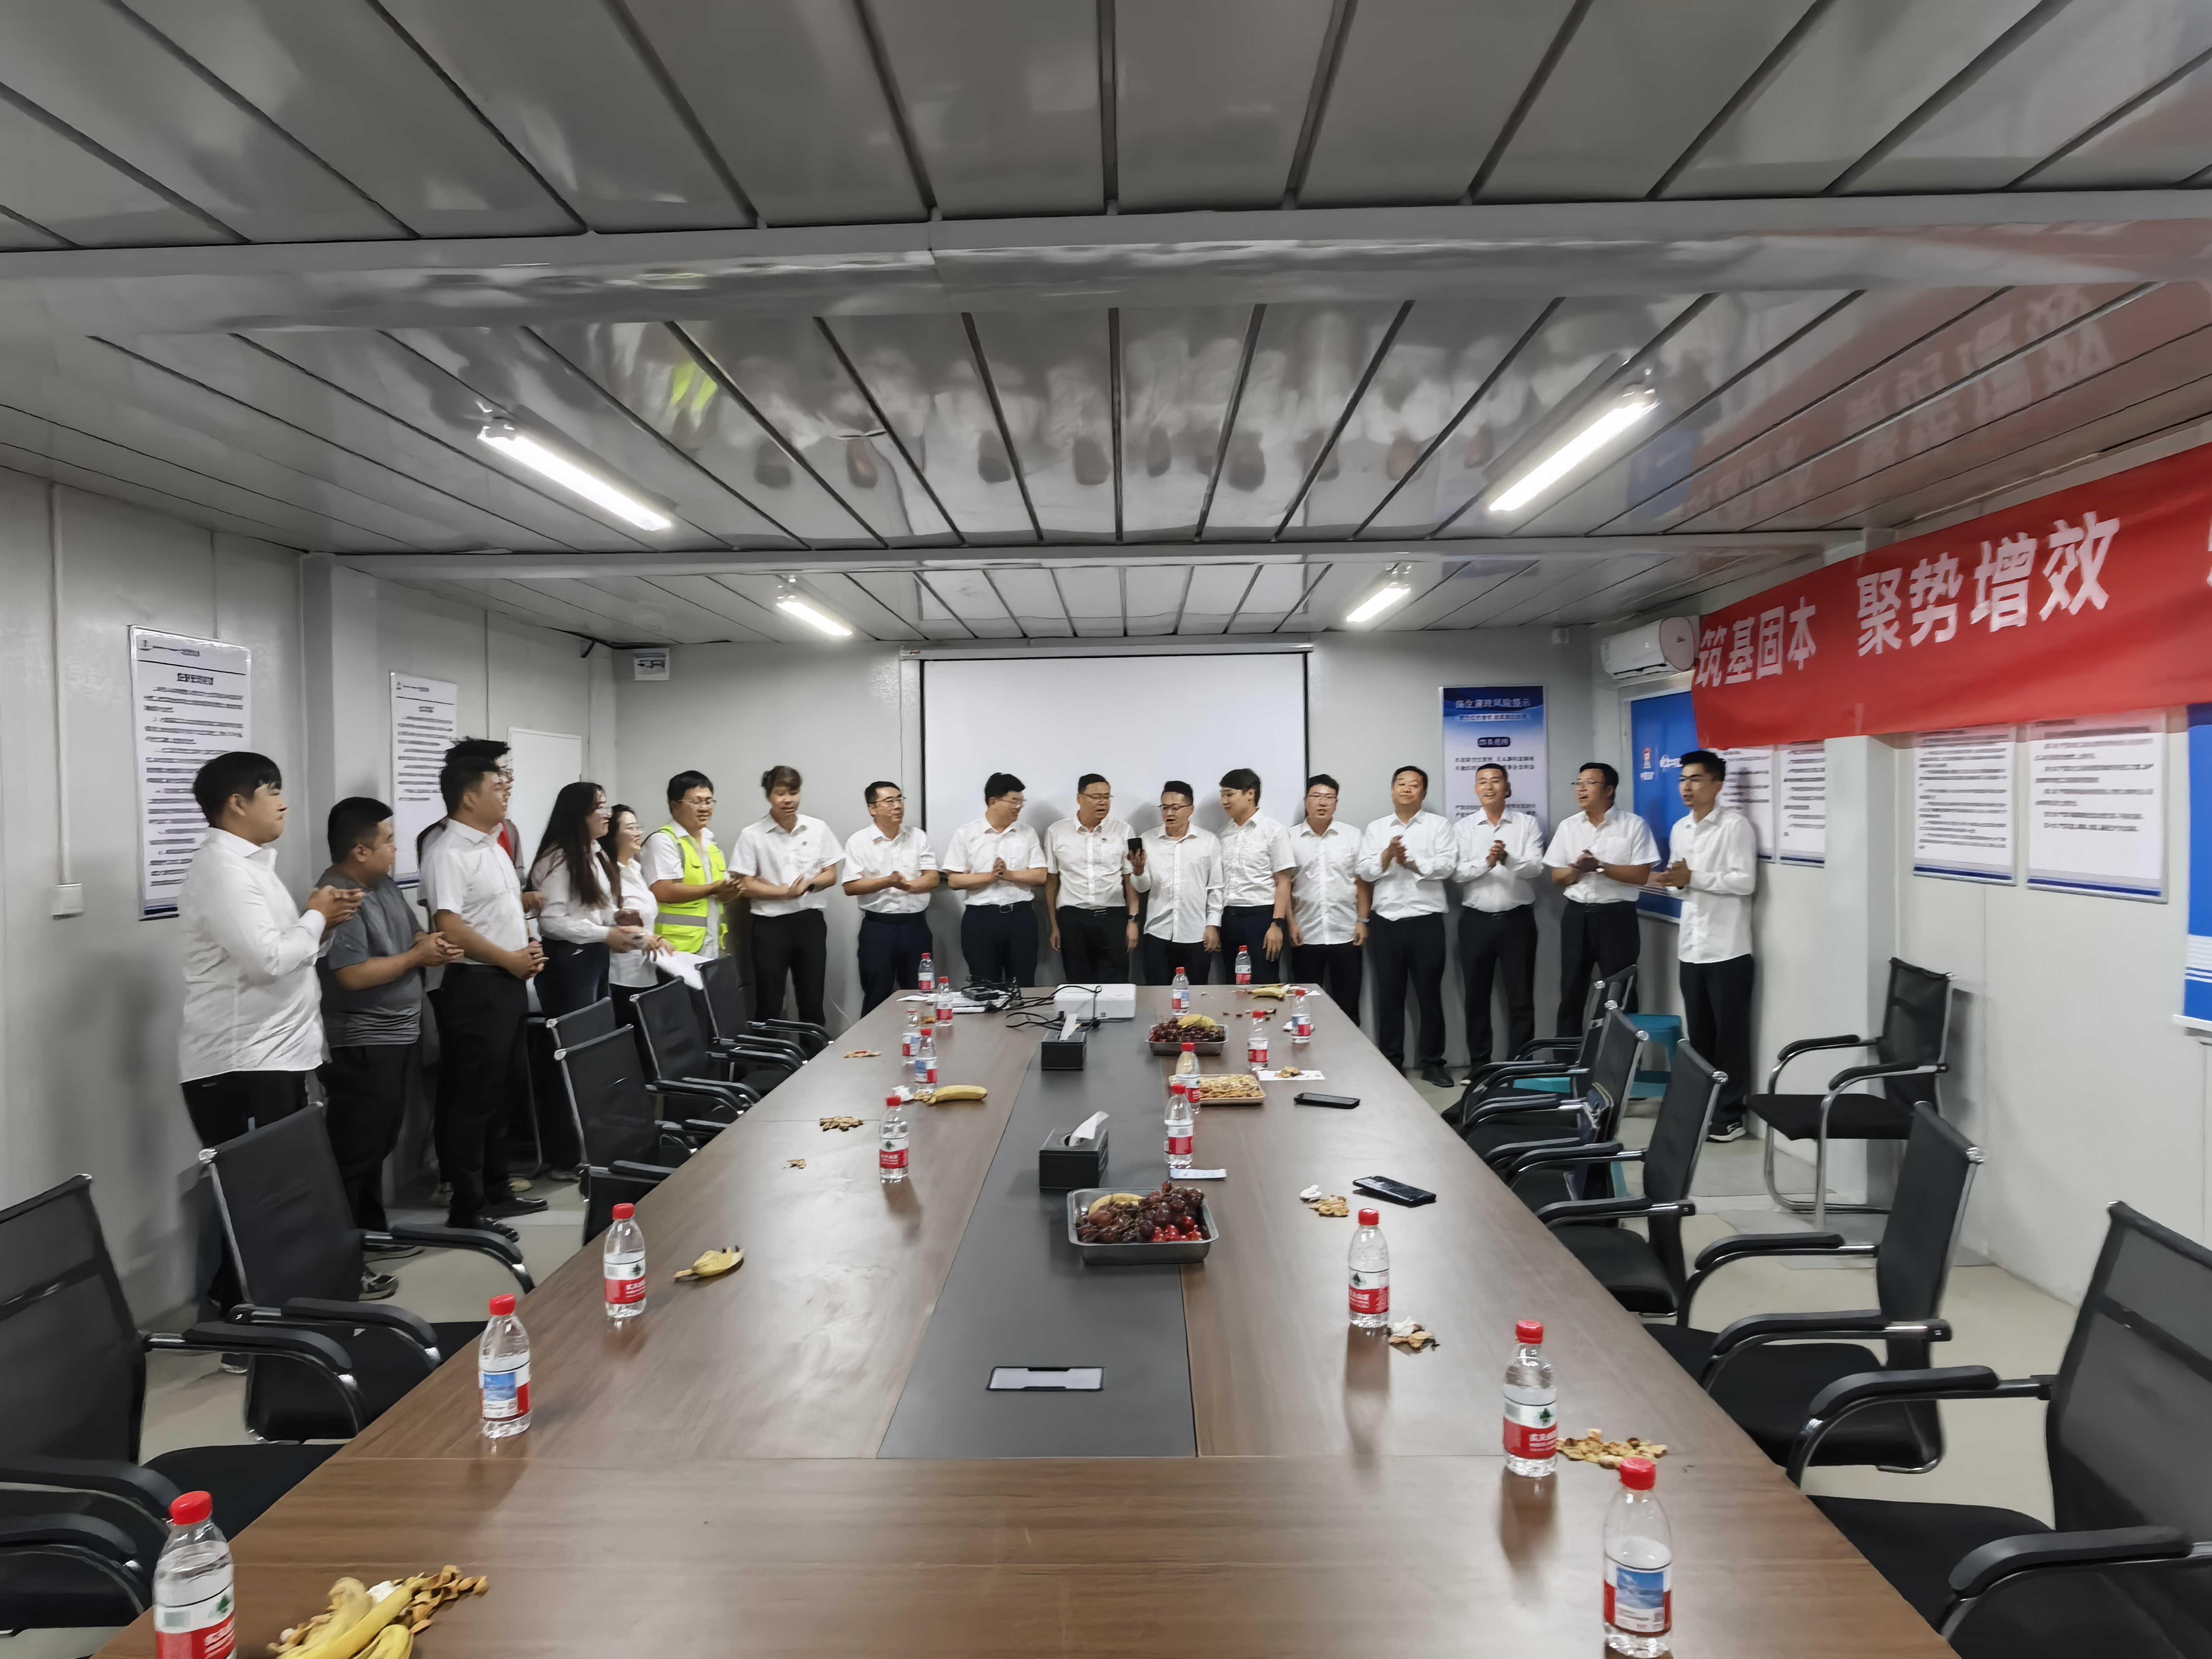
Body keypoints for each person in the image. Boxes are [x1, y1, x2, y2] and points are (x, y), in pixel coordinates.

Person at [178, 753, 361, 1312]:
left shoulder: (253, 866)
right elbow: (267, 961)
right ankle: (249, 1315)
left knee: (277, 1191)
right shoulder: (224, 872)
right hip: (243, 1060)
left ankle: (258, 1303)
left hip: (275, 1053)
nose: (284, 803)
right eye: (272, 791)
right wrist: (315, 916)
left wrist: (323, 923)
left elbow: (289, 952)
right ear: (238, 803)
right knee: (261, 1194)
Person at [316, 797, 462, 1295]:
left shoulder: (381, 886)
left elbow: (414, 937)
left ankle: (371, 1230)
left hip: (397, 1034)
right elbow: (353, 975)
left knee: (378, 1141)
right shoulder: (340, 896)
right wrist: (416, 958)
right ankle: (341, 1259)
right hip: (362, 1040)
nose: (397, 849)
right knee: (355, 1149)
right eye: (389, 841)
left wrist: (431, 946)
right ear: (361, 850)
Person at [421, 746, 547, 1238]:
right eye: (498, 786)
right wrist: (508, 959)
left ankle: (498, 1188)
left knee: (501, 1091)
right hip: (475, 986)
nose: (506, 792)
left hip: (507, 981)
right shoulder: (447, 852)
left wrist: (527, 947)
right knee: (473, 1099)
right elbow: (450, 925)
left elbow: (501, 912)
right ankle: (467, 1206)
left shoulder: (494, 846)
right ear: (470, 797)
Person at [1655, 749, 1758, 1141]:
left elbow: (1744, 882)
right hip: (1691, 948)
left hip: (1728, 949)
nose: (1687, 787)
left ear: (1717, 784)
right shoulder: (1680, 828)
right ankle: (1703, 1107)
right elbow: (1680, 885)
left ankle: (1730, 1116)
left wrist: (1693, 878)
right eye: (1683, 779)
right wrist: (1677, 883)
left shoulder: (1734, 826)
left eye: (1696, 779)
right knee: (1700, 1035)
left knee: (1731, 1038)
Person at [1356, 765, 1457, 1088]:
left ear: (1423, 793)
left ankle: (1433, 1063)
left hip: (1427, 921)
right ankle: (1392, 1062)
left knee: (1430, 995)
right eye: (1401, 783)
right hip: (1387, 923)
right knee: (1390, 995)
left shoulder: (1439, 826)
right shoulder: (1377, 828)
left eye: (1414, 785)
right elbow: (1364, 871)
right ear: (1392, 790)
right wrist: (1387, 856)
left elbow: (1447, 866)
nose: (1406, 789)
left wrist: (1412, 863)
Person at [1544, 761, 1658, 1031]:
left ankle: (1621, 1057)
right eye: (1579, 783)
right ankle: (1567, 1055)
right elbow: (1557, 878)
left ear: (1609, 790)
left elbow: (1641, 875)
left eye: (1590, 783)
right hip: (1577, 916)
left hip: (1617, 918)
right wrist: (1577, 870)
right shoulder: (1569, 827)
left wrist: (1600, 867)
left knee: (1620, 991)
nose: (1581, 789)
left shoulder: (1634, 826)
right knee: (1572, 989)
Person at [531, 781, 659, 1017]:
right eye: (600, 807)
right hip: (571, 957)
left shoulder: (596, 853)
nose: (608, 814)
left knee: (600, 1027)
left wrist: (618, 919)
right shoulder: (562, 859)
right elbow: (551, 921)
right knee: (581, 1029)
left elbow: (593, 909)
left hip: (595, 953)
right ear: (579, 814)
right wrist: (606, 934)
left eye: (607, 806)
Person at [1452, 762, 1546, 1070]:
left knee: (1520, 998)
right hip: (1475, 922)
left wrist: (1508, 859)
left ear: (1508, 788)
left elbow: (1536, 868)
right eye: (1482, 781)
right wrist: (1488, 862)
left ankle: (1519, 1067)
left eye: (1496, 781)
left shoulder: (1527, 824)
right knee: (1476, 998)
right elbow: (1457, 874)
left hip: (1517, 922)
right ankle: (1480, 1066)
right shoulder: (1464, 828)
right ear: (1476, 789)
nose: (1489, 786)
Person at [730, 765, 840, 1026]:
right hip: (770, 926)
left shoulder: (817, 828)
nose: (788, 800)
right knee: (769, 1000)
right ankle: (769, 1052)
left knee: (812, 998)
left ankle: (813, 1050)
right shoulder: (752, 835)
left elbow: (831, 874)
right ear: (769, 796)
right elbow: (744, 885)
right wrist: (786, 893)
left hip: (809, 922)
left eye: (794, 792)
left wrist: (811, 883)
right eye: (781, 793)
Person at [942, 773, 1049, 988]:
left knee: (1023, 984)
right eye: (1014, 801)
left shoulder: (1026, 833)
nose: (1019, 807)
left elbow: (1041, 876)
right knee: (984, 985)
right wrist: (990, 877)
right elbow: (955, 881)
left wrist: (1009, 875)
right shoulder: (967, 834)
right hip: (981, 920)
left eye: (1021, 802)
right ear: (993, 801)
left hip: (1021, 918)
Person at [843, 780, 940, 1014]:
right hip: (879, 928)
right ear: (872, 808)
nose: (897, 806)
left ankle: (919, 1036)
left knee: (920, 992)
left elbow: (933, 878)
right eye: (889, 801)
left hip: (915, 926)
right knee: (877, 992)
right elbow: (851, 886)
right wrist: (888, 882)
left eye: (899, 800)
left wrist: (908, 886)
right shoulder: (859, 841)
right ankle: (874, 1038)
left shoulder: (917, 837)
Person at [415, 737, 538, 917]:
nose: (508, 783)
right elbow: (442, 913)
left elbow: (512, 893)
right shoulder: (438, 841)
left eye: (507, 773)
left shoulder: (508, 831)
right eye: (500, 775)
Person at [1288, 774, 1369, 1020]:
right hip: (1305, 934)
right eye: (1316, 796)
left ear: (1336, 803)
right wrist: (1290, 924)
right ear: (1306, 801)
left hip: (1346, 932)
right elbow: (1284, 886)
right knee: (1305, 1008)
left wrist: (1362, 921)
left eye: (1329, 798)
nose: (1322, 803)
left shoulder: (1352, 836)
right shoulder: (1289, 838)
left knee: (1348, 1005)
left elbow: (1362, 882)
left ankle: (1348, 1048)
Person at [1043, 774, 1137, 985]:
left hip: (1113, 916)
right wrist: (1054, 926)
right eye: (1096, 797)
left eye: (1107, 797)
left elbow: (1129, 879)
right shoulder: (1057, 832)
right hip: (1073, 917)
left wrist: (1133, 921)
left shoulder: (1123, 830)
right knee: (1078, 983)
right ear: (1080, 799)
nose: (1103, 802)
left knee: (1116, 983)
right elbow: (1051, 882)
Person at [1130, 781, 1222, 986]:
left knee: (1196, 995)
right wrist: (1138, 871)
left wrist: (1213, 925)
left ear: (1190, 810)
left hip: (1196, 933)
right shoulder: (1147, 840)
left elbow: (1216, 888)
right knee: (1156, 996)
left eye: (1175, 808)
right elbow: (1143, 888)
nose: (1169, 813)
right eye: (1165, 808)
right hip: (1158, 932)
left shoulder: (1208, 841)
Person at [646, 771, 739, 959]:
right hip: (674, 948)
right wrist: (714, 888)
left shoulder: (711, 844)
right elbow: (663, 891)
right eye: (696, 802)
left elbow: (718, 896)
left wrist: (731, 891)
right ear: (674, 805)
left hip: (711, 942)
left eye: (709, 801)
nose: (704, 808)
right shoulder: (664, 841)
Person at [1215, 768, 1295, 985]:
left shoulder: (1274, 830)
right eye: (1222, 795)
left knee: (1264, 983)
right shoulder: (1223, 834)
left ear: (1250, 794)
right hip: (1230, 917)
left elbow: (1284, 881)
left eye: (1229, 794)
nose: (1224, 801)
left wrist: (1277, 924)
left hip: (1261, 918)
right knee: (1233, 984)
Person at [599, 804, 673, 1017]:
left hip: (647, 969)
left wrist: (656, 939)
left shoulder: (635, 868)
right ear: (613, 835)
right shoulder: (605, 874)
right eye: (631, 828)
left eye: (638, 827)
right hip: (622, 975)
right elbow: (609, 921)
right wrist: (644, 939)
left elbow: (643, 919)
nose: (638, 833)